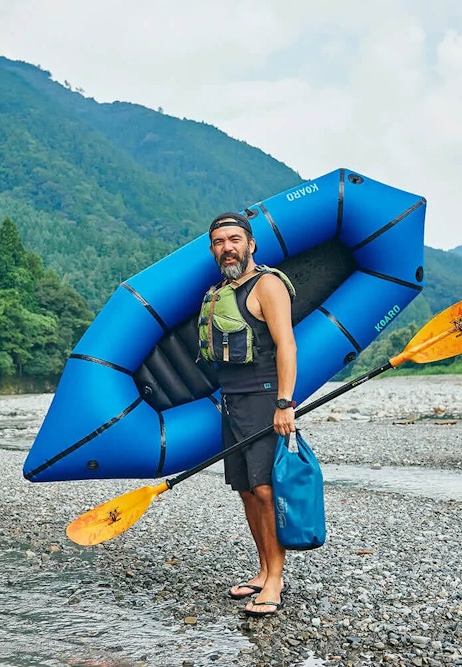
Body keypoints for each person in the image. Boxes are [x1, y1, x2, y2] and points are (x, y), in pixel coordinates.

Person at [198, 211, 297, 617]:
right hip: (232, 400)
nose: (228, 248)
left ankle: (275, 580)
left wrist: (285, 402)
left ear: (251, 244)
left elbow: (286, 345)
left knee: (265, 490)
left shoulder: (267, 285)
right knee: (244, 488)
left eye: (235, 239)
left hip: (264, 398)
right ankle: (262, 570)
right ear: (213, 249)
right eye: (220, 242)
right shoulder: (220, 291)